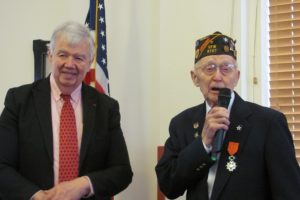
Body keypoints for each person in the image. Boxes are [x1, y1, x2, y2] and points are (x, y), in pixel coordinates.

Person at [155, 31, 300, 200]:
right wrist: (203, 144)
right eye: (209, 69)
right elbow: (169, 186)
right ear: (195, 78)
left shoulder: (268, 123)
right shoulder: (182, 123)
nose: (217, 77)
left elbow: (290, 192)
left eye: (226, 69)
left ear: (236, 77)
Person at [0, 21, 133, 200]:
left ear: (89, 62)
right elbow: (2, 165)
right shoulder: (19, 100)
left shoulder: (106, 107)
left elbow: (122, 171)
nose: (70, 64)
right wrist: (35, 196)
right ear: (50, 55)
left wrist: (85, 184)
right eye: (63, 55)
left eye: (78, 58)